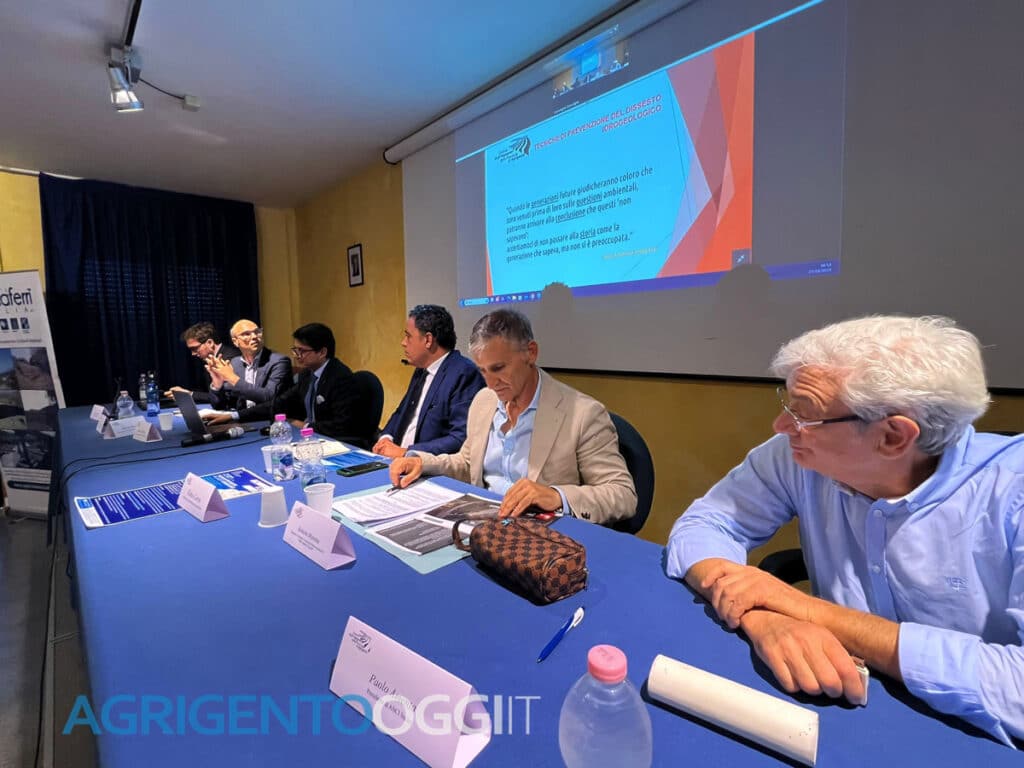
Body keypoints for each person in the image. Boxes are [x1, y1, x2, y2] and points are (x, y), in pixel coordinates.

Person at [665, 315, 1023, 746]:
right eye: (788, 406)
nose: (781, 427)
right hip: (834, 708)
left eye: (805, 415)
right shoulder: (795, 456)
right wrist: (764, 616)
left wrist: (808, 610)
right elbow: (707, 523)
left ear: (893, 436)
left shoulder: (1012, 492)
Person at [389, 309, 636, 525]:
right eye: (483, 371)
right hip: (483, 526)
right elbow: (467, 464)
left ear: (531, 353)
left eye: (498, 368)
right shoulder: (484, 401)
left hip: (541, 538)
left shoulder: (583, 414)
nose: (491, 383)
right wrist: (423, 462)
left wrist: (556, 496)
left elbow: (623, 495)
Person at [204, 322, 377, 447]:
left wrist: (304, 425)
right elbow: (277, 402)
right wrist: (234, 416)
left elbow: (343, 425)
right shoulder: (307, 375)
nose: (296, 355)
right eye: (295, 350)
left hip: (338, 445)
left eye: (302, 351)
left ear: (322, 352)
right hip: (313, 440)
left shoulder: (341, 378)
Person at [372, 304, 485, 459]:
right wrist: (386, 438)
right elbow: (401, 413)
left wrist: (407, 452)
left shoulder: (464, 373)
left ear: (428, 340)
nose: (403, 342)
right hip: (395, 460)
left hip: (426, 466)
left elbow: (460, 438)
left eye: (408, 336)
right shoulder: (421, 370)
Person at [204, 320, 292, 413]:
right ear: (235, 341)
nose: (254, 337)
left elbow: (269, 397)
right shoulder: (235, 363)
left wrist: (232, 378)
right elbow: (220, 405)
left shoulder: (279, 361)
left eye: (257, 332)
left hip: (269, 417)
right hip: (243, 417)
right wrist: (217, 385)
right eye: (246, 334)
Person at [164, 322, 239, 403]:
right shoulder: (210, 360)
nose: (193, 354)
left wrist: (190, 394)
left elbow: (226, 398)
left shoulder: (230, 359)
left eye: (195, 348)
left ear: (210, 343)